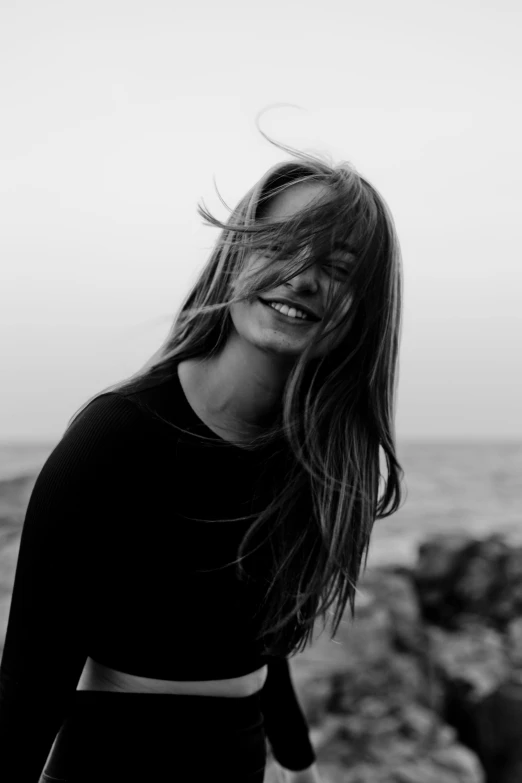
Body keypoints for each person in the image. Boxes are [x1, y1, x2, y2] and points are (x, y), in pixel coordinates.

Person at [0, 127, 405, 782]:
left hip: (238, 758)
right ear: (234, 256)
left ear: (363, 308)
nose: (302, 277)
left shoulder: (315, 456)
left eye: (337, 266)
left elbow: (260, 644)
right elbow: (29, 682)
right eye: (280, 246)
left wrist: (300, 764)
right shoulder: (116, 439)